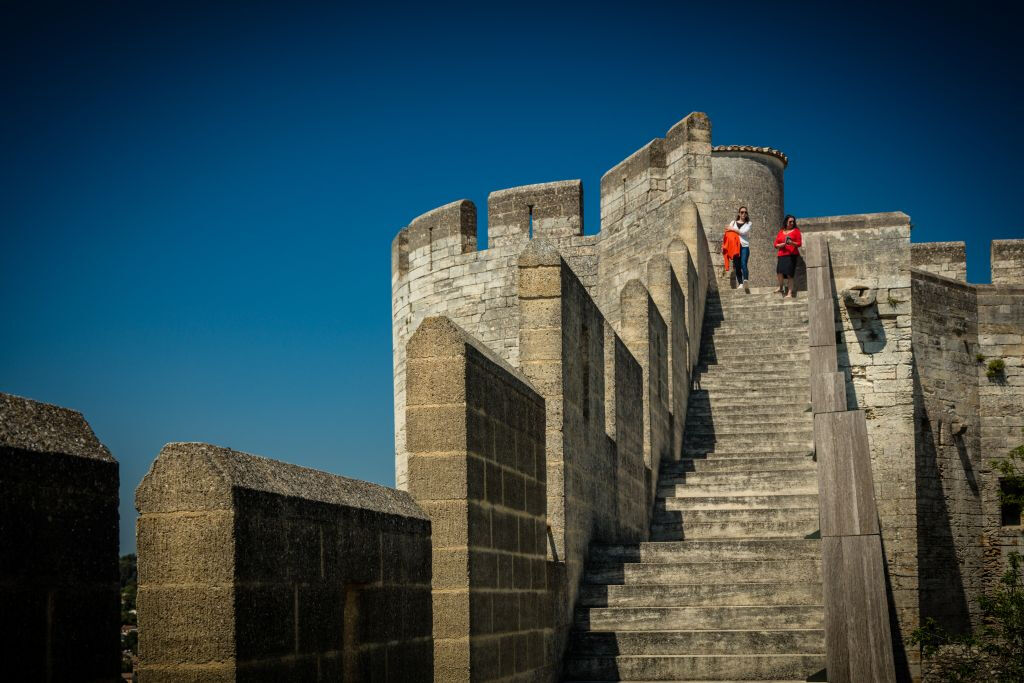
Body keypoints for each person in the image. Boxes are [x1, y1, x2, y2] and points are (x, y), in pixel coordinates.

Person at [774, 214, 802, 298]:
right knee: (779, 272)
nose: (792, 223)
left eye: (793, 221)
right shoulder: (781, 231)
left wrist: (791, 243)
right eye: (790, 221)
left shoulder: (796, 231)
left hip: (791, 255)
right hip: (781, 254)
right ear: (786, 222)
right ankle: (781, 287)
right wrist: (782, 244)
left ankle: (789, 293)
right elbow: (775, 244)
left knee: (790, 274)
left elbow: (799, 243)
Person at [725, 206, 752, 292]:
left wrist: (732, 229)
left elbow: (743, 232)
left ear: (747, 214)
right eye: (742, 212)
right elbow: (727, 232)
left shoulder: (749, 223)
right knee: (737, 266)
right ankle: (740, 283)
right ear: (739, 213)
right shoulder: (733, 222)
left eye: (745, 212)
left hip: (744, 246)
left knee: (743, 263)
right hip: (734, 247)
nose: (743, 214)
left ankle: (746, 280)